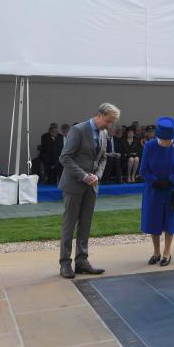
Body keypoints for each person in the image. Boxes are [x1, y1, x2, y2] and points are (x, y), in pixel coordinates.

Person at [58, 102, 121, 279]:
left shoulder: (103, 134)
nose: (109, 126)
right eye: (108, 121)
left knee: (85, 224)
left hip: (92, 186)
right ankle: (65, 263)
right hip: (74, 185)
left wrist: (97, 176)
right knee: (69, 225)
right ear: (99, 115)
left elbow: (103, 158)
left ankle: (82, 261)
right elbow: (65, 157)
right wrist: (84, 176)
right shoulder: (78, 130)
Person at [139, 116, 174, 267]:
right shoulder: (149, 146)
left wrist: (172, 179)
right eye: (166, 139)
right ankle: (156, 252)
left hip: (173, 189)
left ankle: (167, 253)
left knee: (171, 221)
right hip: (153, 189)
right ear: (159, 137)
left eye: (171, 138)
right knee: (154, 220)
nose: (169, 142)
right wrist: (155, 180)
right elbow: (143, 170)